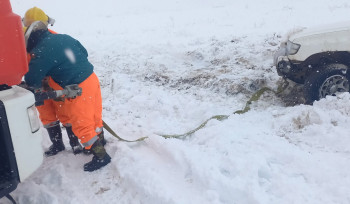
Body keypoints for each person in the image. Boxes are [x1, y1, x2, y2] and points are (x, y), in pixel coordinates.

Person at [24, 21, 111, 171]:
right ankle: (100, 141)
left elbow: (31, 79)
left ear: (31, 40)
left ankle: (101, 156)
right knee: (95, 118)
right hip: (91, 78)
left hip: (78, 87)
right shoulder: (63, 37)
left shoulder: (40, 52)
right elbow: (83, 52)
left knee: (82, 125)